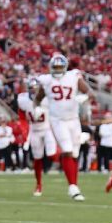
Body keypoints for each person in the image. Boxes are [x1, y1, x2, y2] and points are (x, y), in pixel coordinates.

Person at [34, 54, 90, 201]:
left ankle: (74, 185)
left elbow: (88, 91)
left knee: (75, 153)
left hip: (74, 119)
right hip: (57, 120)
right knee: (67, 150)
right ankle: (72, 187)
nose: (58, 70)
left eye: (60, 67)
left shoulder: (73, 76)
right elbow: (37, 99)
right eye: (55, 67)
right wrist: (37, 108)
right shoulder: (46, 80)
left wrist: (84, 97)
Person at [17, 78, 56, 196]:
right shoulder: (23, 100)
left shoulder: (47, 99)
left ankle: (52, 166)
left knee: (52, 154)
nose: (34, 93)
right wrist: (25, 131)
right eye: (32, 90)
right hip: (34, 131)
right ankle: (38, 184)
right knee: (37, 158)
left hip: (47, 129)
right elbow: (22, 117)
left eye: (36, 90)